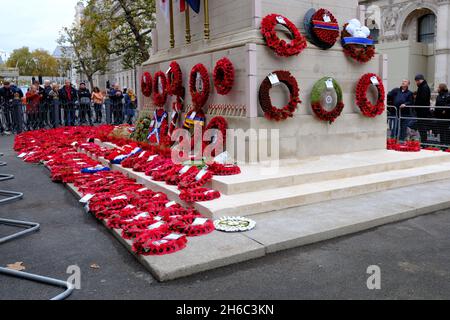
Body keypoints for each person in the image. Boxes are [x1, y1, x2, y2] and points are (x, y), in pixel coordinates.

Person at [414, 74, 432, 144]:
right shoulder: (422, 86)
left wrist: (417, 104)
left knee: (422, 127)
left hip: (422, 111)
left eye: (416, 81)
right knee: (421, 127)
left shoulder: (424, 87)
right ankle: (423, 141)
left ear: (420, 80)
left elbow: (423, 99)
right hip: (421, 110)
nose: (416, 82)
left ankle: (424, 142)